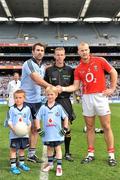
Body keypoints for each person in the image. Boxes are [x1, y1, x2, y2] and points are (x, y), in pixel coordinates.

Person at [59, 42, 118, 166]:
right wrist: (62, 89)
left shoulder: (100, 60)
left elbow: (113, 72)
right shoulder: (78, 69)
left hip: (100, 96)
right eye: (81, 50)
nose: (84, 52)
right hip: (86, 98)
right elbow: (75, 86)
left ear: (89, 50)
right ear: (78, 52)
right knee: (89, 127)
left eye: (86, 50)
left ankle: (111, 155)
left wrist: (112, 88)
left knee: (106, 126)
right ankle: (90, 154)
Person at [21, 42, 51, 163]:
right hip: (26, 101)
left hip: (37, 102)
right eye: (37, 50)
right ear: (33, 52)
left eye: (42, 50)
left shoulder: (42, 67)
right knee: (23, 129)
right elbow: (36, 79)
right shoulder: (28, 63)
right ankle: (18, 154)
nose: (40, 52)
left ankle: (31, 154)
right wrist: (51, 87)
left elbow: (40, 82)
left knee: (35, 128)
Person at [44, 47, 75, 161]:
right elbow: (45, 86)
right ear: (54, 56)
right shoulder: (49, 70)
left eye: (62, 54)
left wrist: (63, 89)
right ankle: (52, 152)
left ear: (65, 56)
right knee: (51, 126)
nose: (59, 57)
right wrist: (52, 89)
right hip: (53, 101)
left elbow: (74, 86)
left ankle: (67, 152)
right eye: (57, 55)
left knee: (67, 127)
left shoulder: (70, 70)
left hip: (65, 100)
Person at [35, 86, 68, 176]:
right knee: (49, 149)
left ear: (56, 95)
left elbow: (66, 117)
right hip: (47, 134)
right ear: (46, 95)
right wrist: (39, 129)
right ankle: (50, 164)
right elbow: (37, 118)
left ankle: (59, 167)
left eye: (52, 94)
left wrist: (64, 129)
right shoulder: (43, 107)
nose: (50, 96)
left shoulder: (58, 107)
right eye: (48, 94)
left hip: (57, 134)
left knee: (58, 148)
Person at [7, 90, 32, 175]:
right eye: (16, 98)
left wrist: (28, 128)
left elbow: (29, 121)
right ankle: (13, 166)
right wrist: (14, 129)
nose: (18, 99)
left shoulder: (27, 109)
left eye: (20, 97)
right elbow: (9, 121)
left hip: (24, 134)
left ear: (24, 98)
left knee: (22, 149)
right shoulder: (12, 109)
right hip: (14, 134)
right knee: (13, 150)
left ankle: (21, 164)